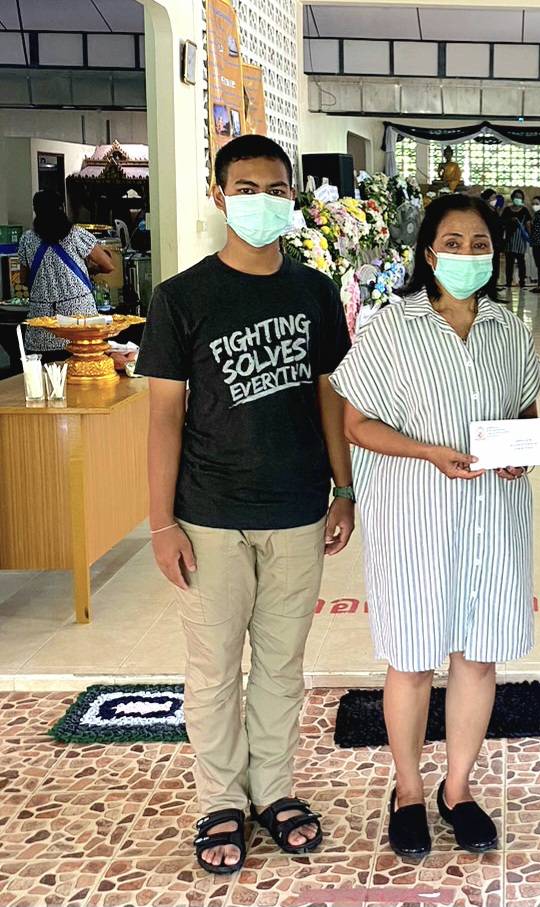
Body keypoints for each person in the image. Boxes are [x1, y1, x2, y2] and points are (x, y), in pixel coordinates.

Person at [136, 134, 355, 876]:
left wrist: (344, 488)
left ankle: (274, 791)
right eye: (247, 187)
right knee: (213, 669)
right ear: (220, 195)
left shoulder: (315, 292)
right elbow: (163, 418)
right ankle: (220, 800)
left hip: (297, 508)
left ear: (293, 198)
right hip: (208, 515)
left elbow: (331, 399)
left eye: (277, 189)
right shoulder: (181, 297)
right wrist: (161, 523)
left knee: (282, 667)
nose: (263, 200)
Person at [330, 194, 540, 859]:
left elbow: (525, 410)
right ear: (429, 253)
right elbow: (355, 424)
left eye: (480, 244)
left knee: (478, 655)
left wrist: (521, 449)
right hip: (415, 517)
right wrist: (428, 452)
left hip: (492, 517)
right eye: (453, 243)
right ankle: (408, 790)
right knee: (413, 658)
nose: (467, 255)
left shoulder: (508, 330)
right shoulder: (392, 328)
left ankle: (458, 788)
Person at [17, 189, 115, 361]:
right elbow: (108, 265)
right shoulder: (76, 234)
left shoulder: (27, 239)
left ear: (36, 210)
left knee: (45, 374)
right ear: (61, 207)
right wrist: (90, 270)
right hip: (79, 325)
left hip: (43, 327)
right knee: (84, 371)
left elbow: (24, 279)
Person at [501, 189, 532, 289]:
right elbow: (502, 222)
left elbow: (528, 224)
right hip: (509, 238)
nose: (518, 199)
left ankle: (522, 281)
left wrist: (530, 236)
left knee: (521, 261)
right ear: (512, 198)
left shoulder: (524, 210)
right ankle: (508, 282)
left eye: (520, 197)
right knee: (509, 262)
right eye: (516, 197)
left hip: (520, 239)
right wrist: (509, 221)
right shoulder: (507, 210)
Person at [480, 187, 504, 290]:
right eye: (493, 198)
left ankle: (493, 284)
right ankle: (487, 285)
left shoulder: (494, 210)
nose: (495, 200)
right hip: (489, 241)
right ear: (487, 199)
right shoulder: (484, 212)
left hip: (496, 241)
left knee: (495, 264)